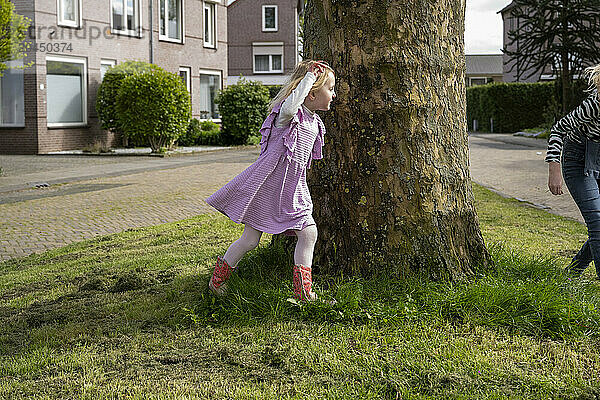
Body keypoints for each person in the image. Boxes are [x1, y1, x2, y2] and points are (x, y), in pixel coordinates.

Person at [206, 60, 336, 301]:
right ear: (311, 94)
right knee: (250, 240)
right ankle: (217, 282)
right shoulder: (288, 116)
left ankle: (303, 293)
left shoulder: (314, 122)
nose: (334, 94)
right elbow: (289, 107)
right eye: (330, 88)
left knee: (308, 233)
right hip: (268, 189)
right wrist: (308, 78)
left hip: (292, 188)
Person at [547, 64, 600, 278]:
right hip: (577, 160)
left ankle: (572, 273)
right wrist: (554, 167)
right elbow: (559, 129)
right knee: (597, 222)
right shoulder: (595, 104)